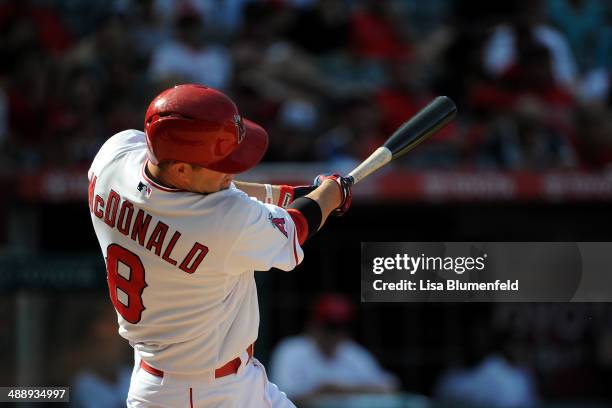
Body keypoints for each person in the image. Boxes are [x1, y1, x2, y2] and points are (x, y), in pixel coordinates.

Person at [87, 83, 352, 407]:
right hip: (203, 395)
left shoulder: (114, 157)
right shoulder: (226, 222)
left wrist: (286, 194)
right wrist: (331, 192)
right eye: (222, 165)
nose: (233, 171)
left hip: (179, 381)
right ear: (182, 169)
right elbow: (297, 227)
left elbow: (201, 193)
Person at [269, 294, 398, 407]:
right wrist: (323, 390)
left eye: (341, 327)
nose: (335, 334)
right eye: (330, 327)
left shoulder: (353, 352)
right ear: (313, 324)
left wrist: (337, 389)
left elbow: (388, 387)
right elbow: (281, 398)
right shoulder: (291, 350)